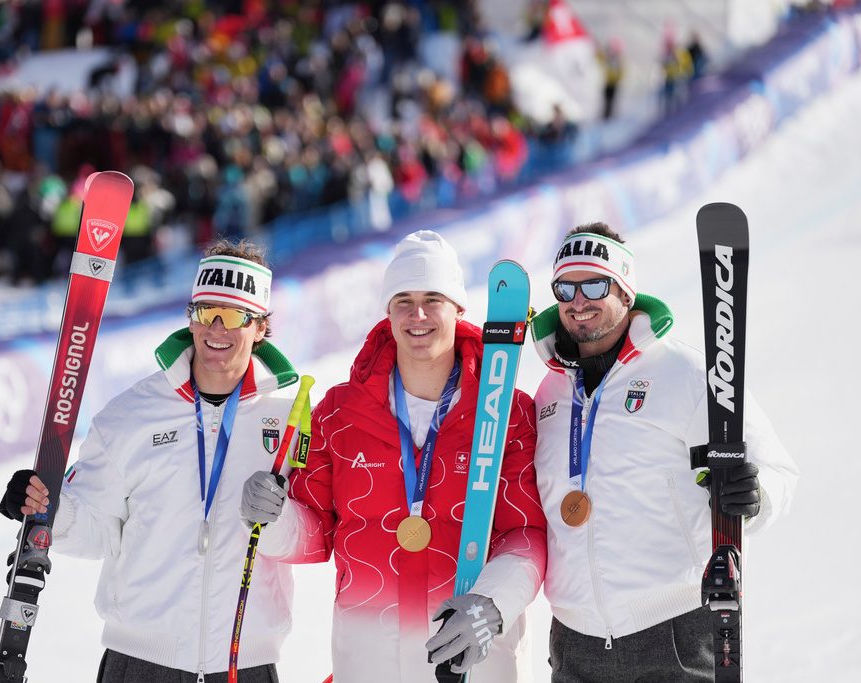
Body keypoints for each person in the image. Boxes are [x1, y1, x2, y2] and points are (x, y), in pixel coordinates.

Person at [241, 230, 548, 682]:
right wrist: (272, 519)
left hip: (472, 666)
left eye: (433, 299)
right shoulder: (339, 413)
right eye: (403, 299)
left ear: (458, 308)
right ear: (387, 311)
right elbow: (315, 535)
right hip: (368, 664)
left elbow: (526, 532)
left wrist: (492, 604)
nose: (417, 314)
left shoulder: (506, 412)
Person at [0, 239, 304, 683]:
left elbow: (315, 532)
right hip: (140, 663)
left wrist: (281, 517)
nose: (217, 329)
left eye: (235, 315)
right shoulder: (130, 415)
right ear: (190, 316)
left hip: (246, 663)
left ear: (260, 327)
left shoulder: (291, 421)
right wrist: (50, 511)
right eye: (205, 311)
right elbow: (98, 528)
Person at [528, 223, 799, 681]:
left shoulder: (687, 373)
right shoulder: (549, 392)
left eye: (595, 283)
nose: (578, 301)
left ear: (626, 291)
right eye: (565, 287)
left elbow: (777, 470)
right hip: (574, 639)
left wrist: (756, 495)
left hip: (673, 630)